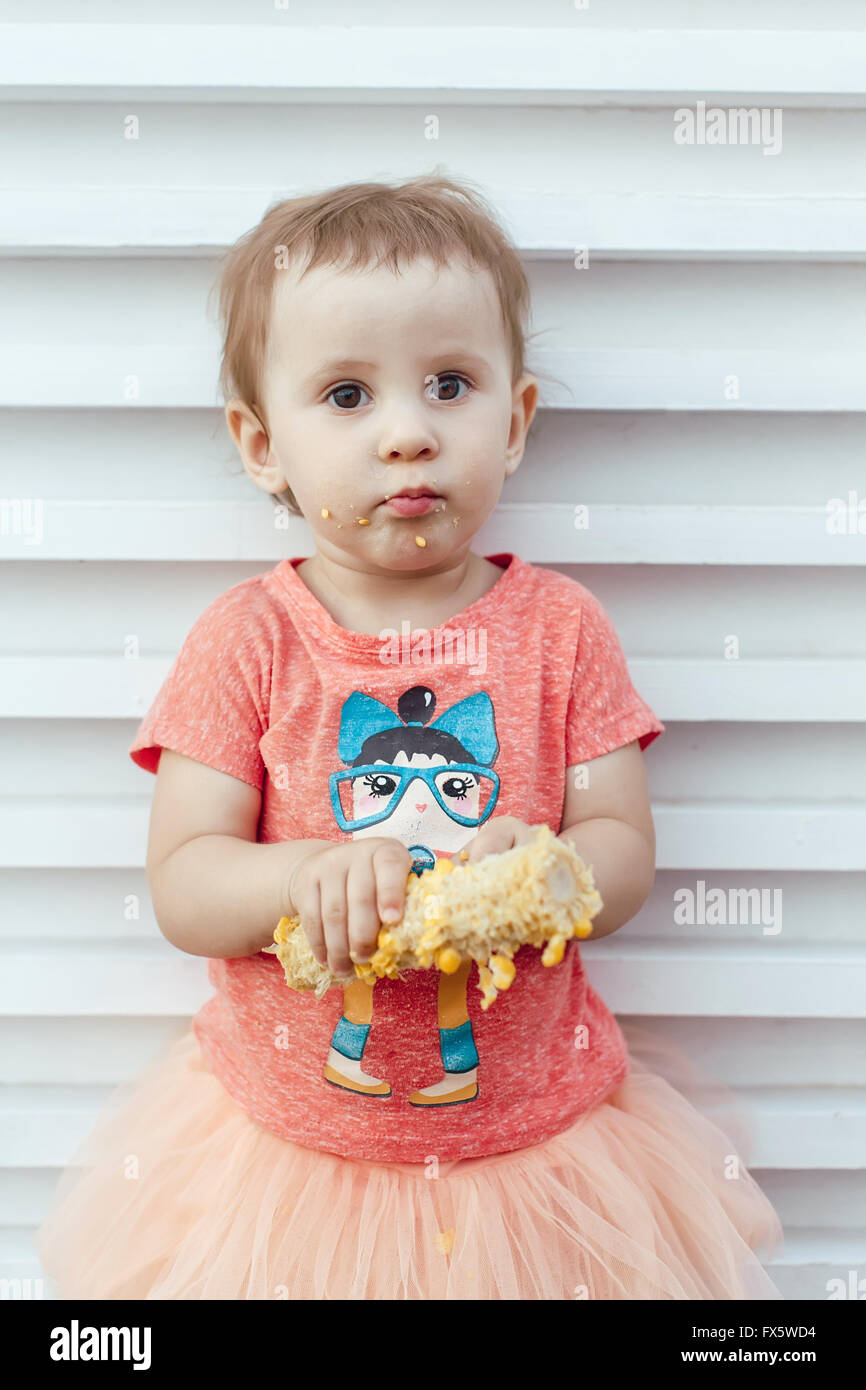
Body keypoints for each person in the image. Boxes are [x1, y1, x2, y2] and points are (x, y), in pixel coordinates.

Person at [35, 174, 784, 1299]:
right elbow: (185, 883)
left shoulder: (560, 630)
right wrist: (306, 875)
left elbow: (621, 845)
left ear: (515, 419)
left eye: (448, 383)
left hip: (538, 1151)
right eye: (344, 395)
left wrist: (545, 866)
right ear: (260, 444)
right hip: (286, 1160)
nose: (405, 433)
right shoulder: (246, 641)